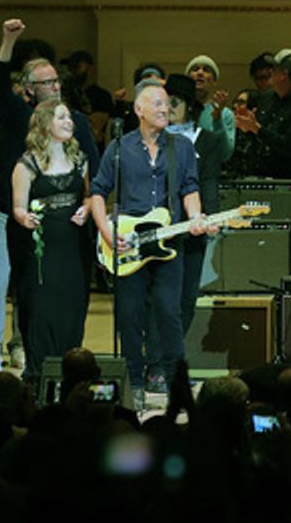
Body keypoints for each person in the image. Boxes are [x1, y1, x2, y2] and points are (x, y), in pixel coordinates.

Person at [0, 19, 99, 373]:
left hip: (70, 231)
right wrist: (7, 41)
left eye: (57, 81)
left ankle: (68, 363)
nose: (55, 87)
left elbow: (94, 174)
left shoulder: (75, 121)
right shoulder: (21, 117)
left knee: (70, 298)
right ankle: (25, 356)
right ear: (29, 89)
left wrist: (90, 205)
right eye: (46, 83)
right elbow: (0, 85)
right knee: (28, 292)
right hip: (25, 224)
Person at [90, 81, 209, 403]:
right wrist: (107, 232)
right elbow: (98, 192)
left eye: (167, 103)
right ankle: (134, 380)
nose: (164, 108)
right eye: (156, 103)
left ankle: (174, 379)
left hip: (168, 242)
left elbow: (190, 188)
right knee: (129, 315)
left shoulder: (181, 147)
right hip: (129, 242)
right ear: (138, 109)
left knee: (170, 312)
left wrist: (196, 217)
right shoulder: (119, 147)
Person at [11, 101, 90, 384]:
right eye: (61, 117)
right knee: (42, 310)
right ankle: (39, 374)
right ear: (45, 124)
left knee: (72, 307)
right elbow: (18, 207)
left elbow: (89, 196)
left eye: (69, 116)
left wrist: (87, 209)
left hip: (73, 246)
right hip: (43, 250)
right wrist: (25, 218)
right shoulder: (27, 164)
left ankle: (69, 371)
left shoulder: (79, 159)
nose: (69, 121)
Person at [163, 73, 225, 334]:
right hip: (157, 228)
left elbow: (209, 182)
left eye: (175, 102)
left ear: (189, 105)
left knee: (187, 297)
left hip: (192, 229)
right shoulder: (151, 138)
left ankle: (175, 349)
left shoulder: (207, 140)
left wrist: (211, 219)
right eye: (164, 101)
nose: (168, 107)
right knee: (160, 297)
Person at [235, 50, 291, 192]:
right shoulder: (266, 98)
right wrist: (246, 127)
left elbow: (288, 147)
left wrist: (257, 129)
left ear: (284, 74)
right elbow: (255, 136)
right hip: (257, 178)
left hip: (285, 184)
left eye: (273, 69)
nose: (270, 72)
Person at [186, 55, 236, 164]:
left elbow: (225, 155)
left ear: (214, 81)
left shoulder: (225, 114)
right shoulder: (178, 110)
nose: (200, 73)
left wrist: (217, 119)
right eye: (195, 69)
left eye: (206, 70)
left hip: (208, 172)